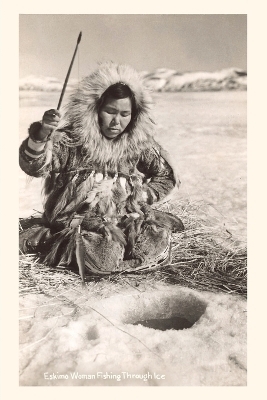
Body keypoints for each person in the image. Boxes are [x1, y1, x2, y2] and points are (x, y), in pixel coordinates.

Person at [19, 61, 184, 280]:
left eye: (125, 114)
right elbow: (35, 166)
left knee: (150, 243)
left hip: (124, 218)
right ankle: (52, 238)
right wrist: (39, 137)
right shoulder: (72, 141)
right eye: (110, 111)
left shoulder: (138, 144)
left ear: (135, 115)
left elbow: (166, 175)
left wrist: (142, 196)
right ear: (95, 110)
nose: (117, 121)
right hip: (79, 219)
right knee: (103, 258)